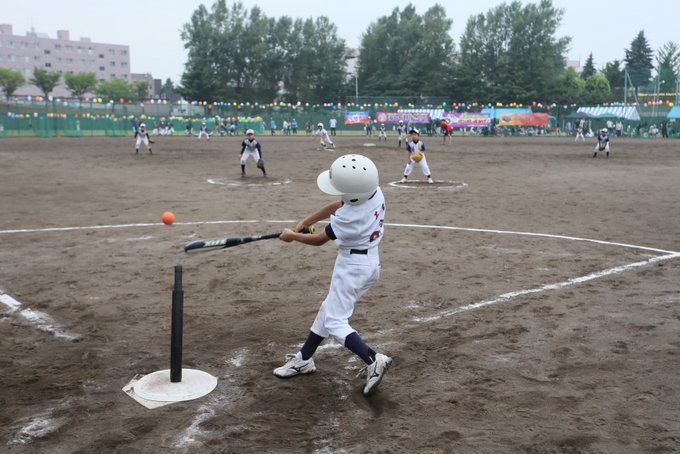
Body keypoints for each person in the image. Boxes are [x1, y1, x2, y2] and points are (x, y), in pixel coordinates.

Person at [274, 154, 392, 397]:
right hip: (368, 262)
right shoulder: (374, 191)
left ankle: (372, 359)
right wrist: (305, 221)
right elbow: (340, 204)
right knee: (328, 309)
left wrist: (292, 236)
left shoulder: (351, 217)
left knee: (335, 321)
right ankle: (304, 358)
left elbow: (319, 240)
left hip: (352, 268)